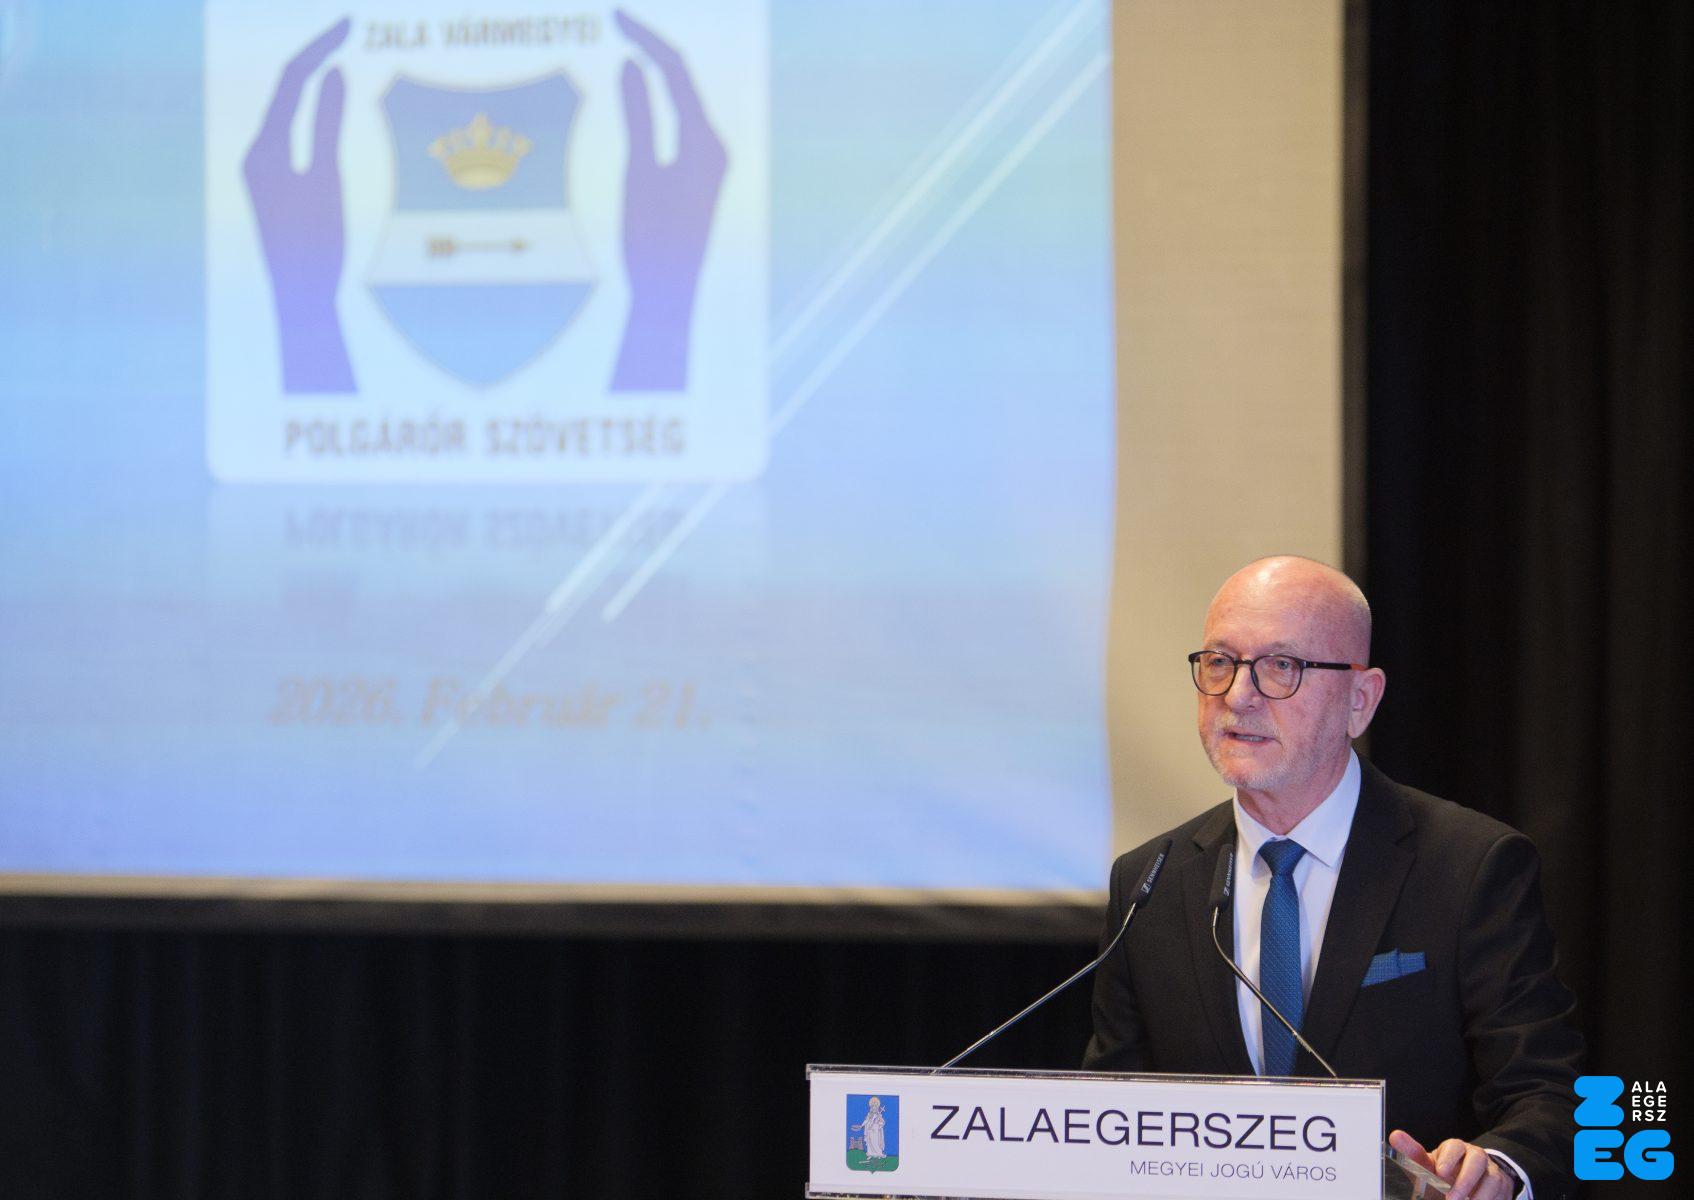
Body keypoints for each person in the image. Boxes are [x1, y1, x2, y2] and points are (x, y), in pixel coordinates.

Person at [1084, 556, 1583, 1200]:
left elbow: (1548, 1091)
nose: (1237, 695)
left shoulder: (1469, 866)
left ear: (1360, 700)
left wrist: (1497, 1166)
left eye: (1281, 666)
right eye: (1219, 662)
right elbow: (1112, 1119)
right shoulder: (1149, 883)